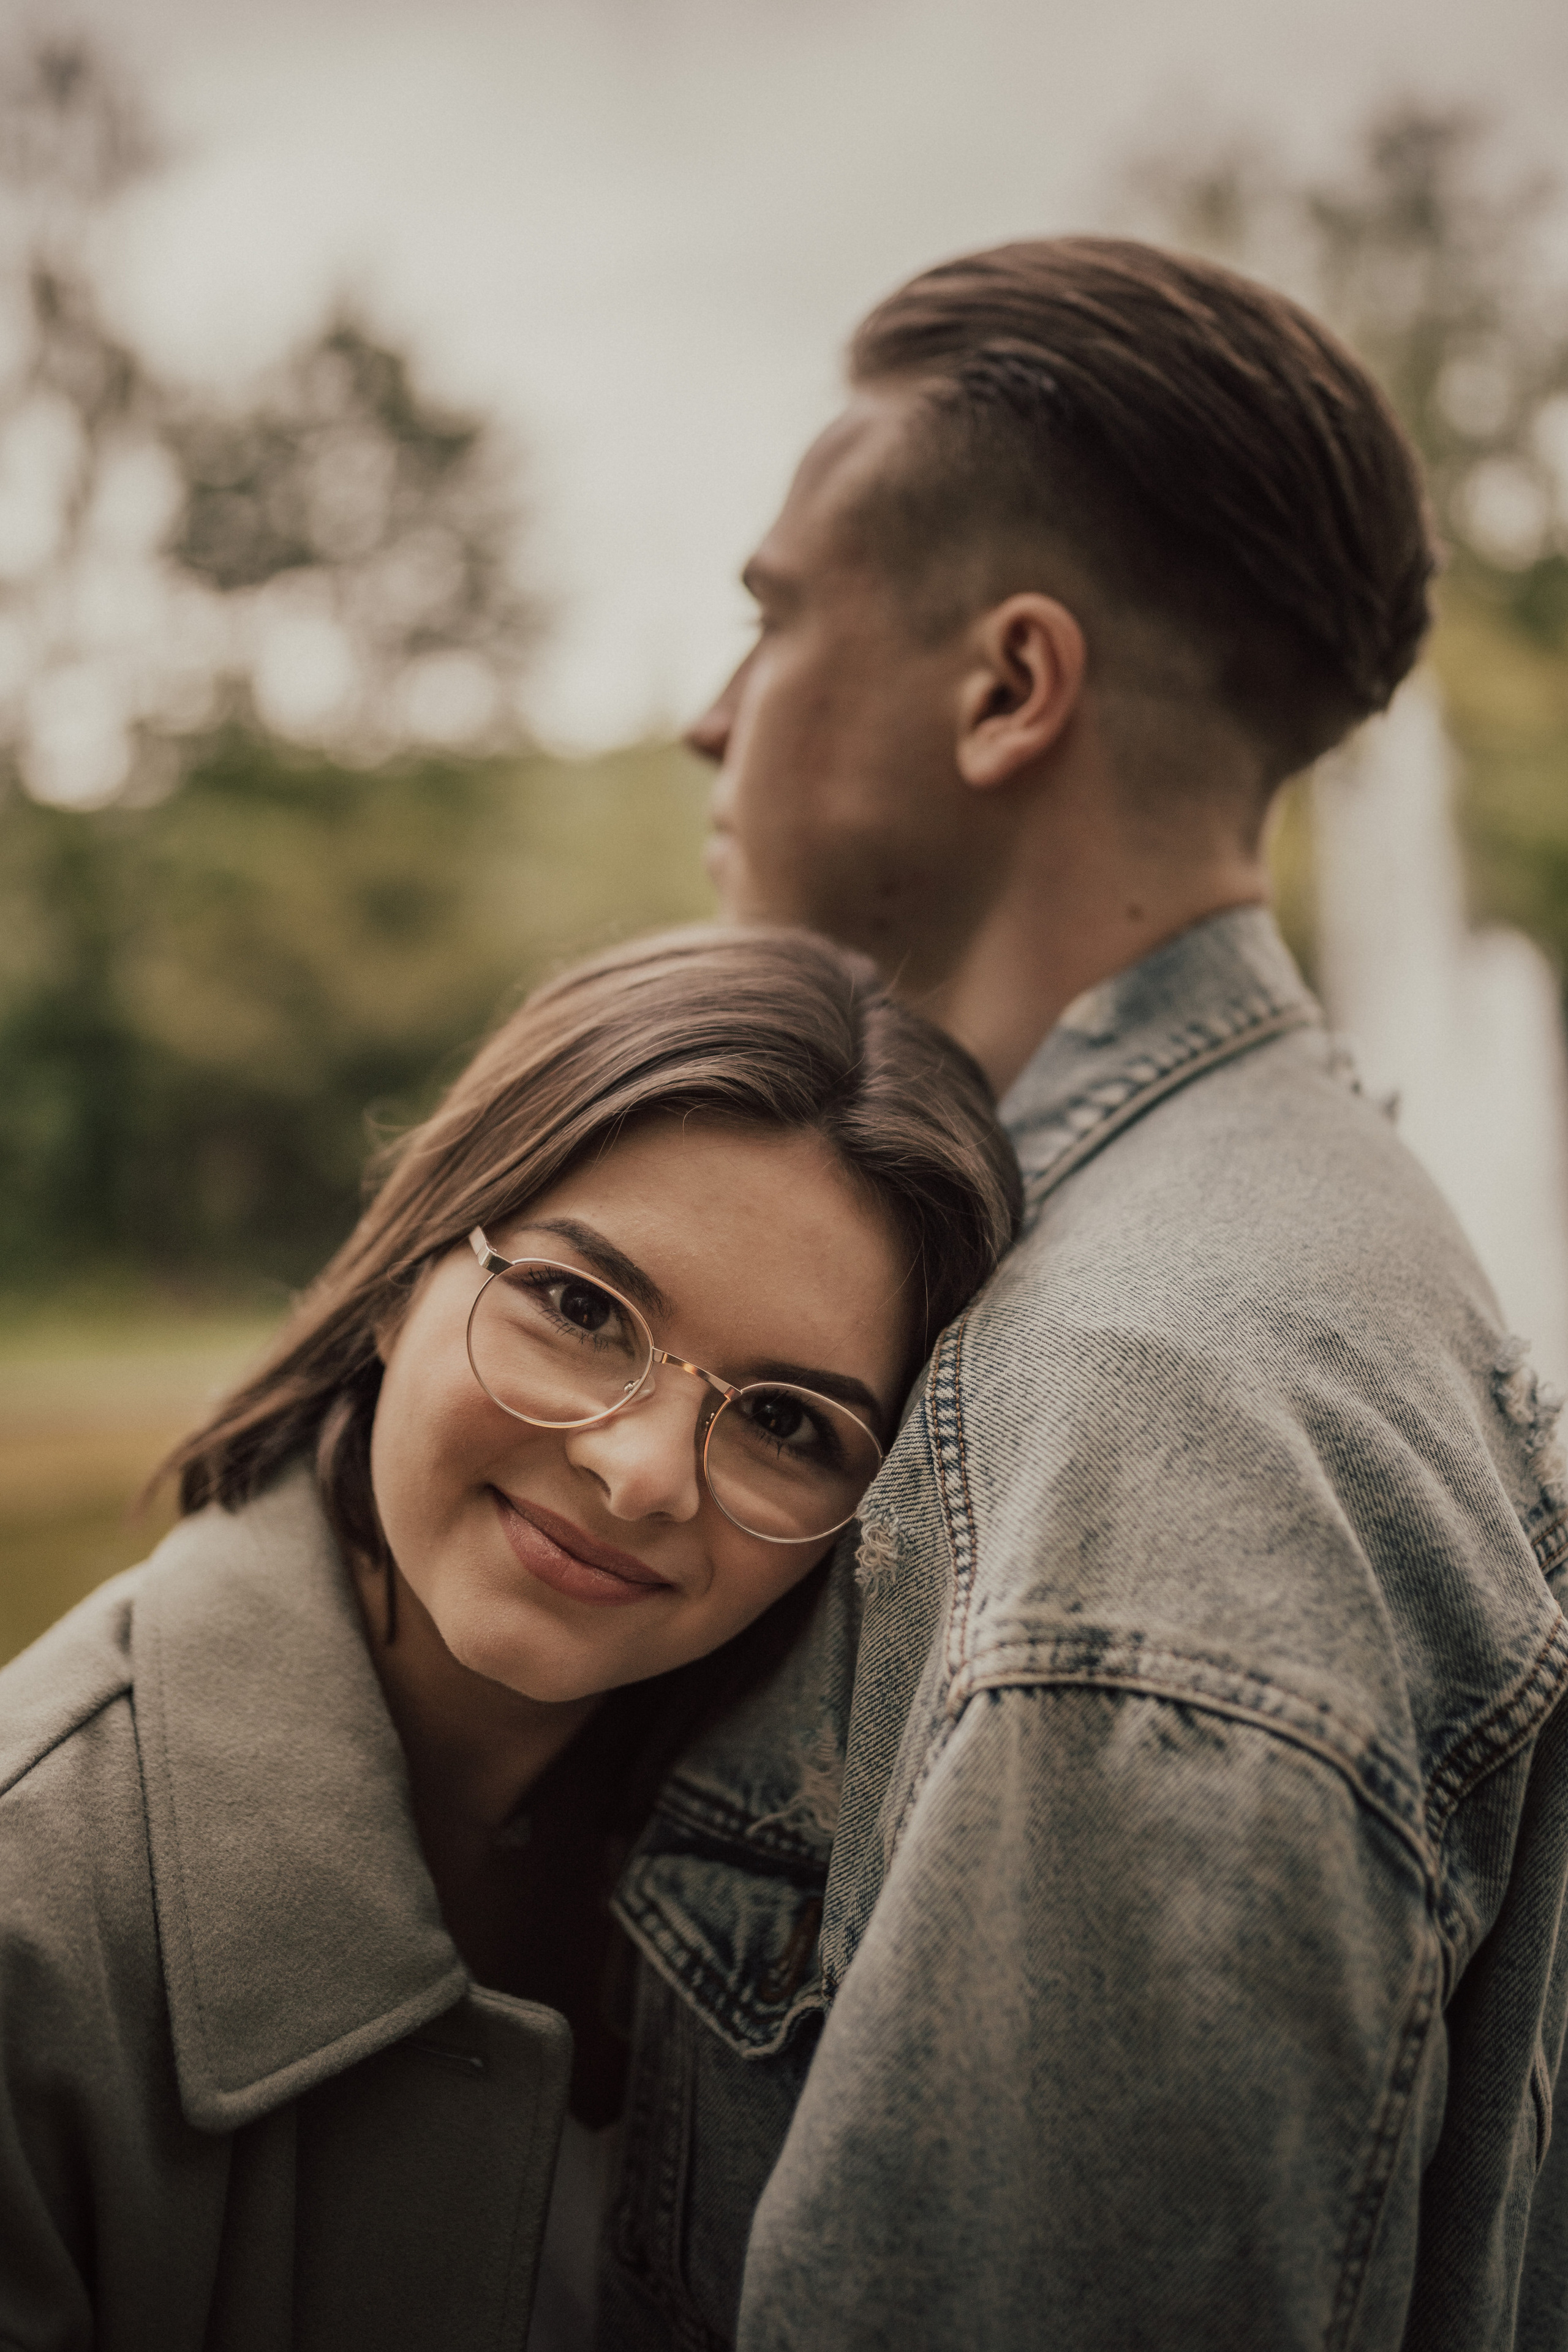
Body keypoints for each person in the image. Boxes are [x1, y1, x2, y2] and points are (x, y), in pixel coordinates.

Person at [596, 239, 1568, 2350]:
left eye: (772, 620)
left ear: (1009, 689)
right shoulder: (1204, 1247)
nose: (708, 711)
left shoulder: (1156, 1415)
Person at [0, 925, 1019, 2352]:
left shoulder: (843, 1860)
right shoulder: (29, 1914)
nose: (643, 1470)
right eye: (580, 1306)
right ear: (409, 1267)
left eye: (787, 1421)